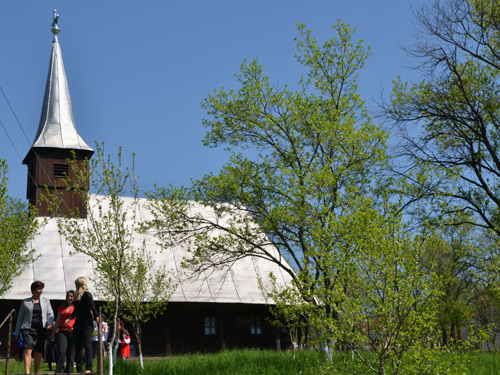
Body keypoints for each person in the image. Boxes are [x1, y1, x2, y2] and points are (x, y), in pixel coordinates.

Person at [15, 280, 54, 375]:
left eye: (42, 289)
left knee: (38, 351)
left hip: (41, 329)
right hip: (27, 329)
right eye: (38, 289)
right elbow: (20, 318)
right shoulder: (25, 302)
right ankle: (27, 372)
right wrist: (17, 332)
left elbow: (50, 313)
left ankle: (36, 372)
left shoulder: (46, 300)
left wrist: (50, 323)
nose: (40, 291)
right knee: (28, 349)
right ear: (33, 290)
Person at [68, 277, 98, 374]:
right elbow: (76, 310)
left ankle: (89, 368)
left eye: (76, 284)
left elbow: (92, 307)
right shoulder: (77, 297)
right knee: (78, 346)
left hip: (87, 324)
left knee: (87, 344)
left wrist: (97, 317)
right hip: (78, 324)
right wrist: (71, 317)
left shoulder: (87, 295)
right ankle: (79, 369)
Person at [50, 290, 76, 374]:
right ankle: (60, 371)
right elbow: (57, 321)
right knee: (62, 351)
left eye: (72, 296)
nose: (70, 298)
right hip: (62, 332)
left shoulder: (76, 308)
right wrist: (53, 333)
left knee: (71, 354)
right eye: (68, 296)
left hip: (72, 331)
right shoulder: (62, 308)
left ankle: (69, 371)